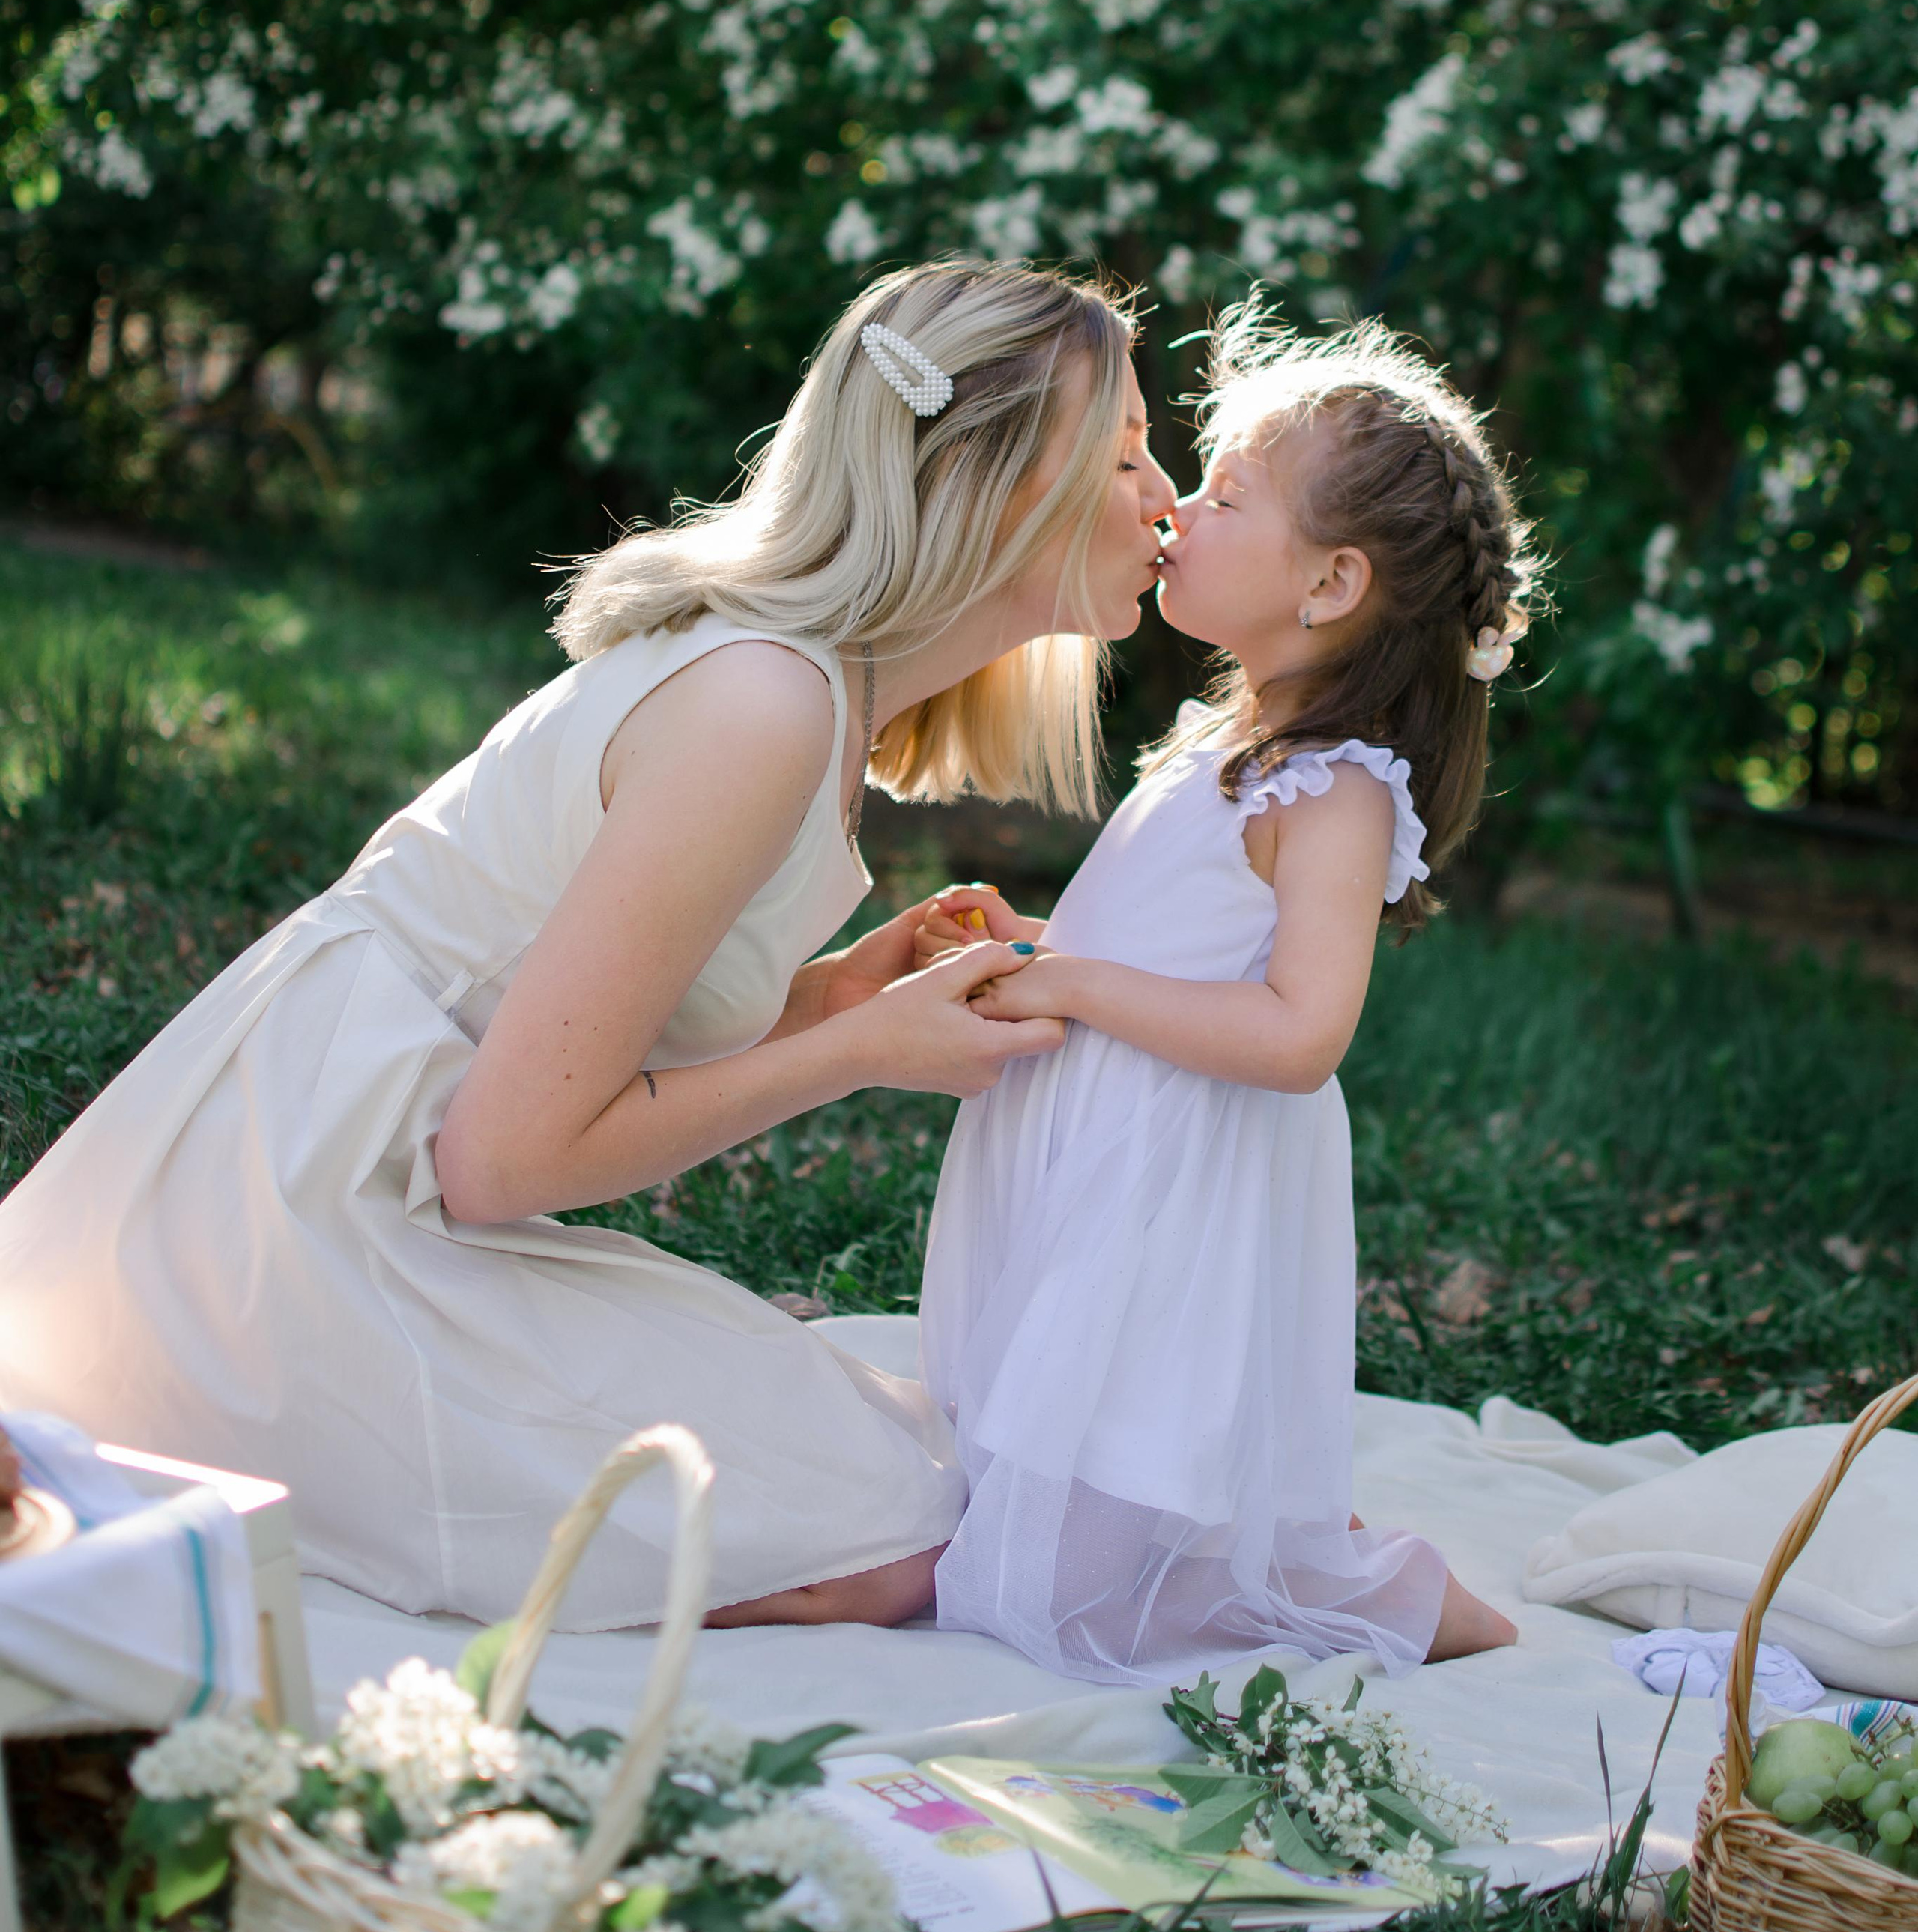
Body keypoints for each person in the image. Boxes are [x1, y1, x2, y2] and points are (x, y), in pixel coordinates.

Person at [0, 261, 1177, 1633]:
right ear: (997, 485)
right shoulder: (762, 703)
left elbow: (586, 1018)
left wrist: (831, 999)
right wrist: (863, 1052)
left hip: (382, 1170)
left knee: (911, 1478)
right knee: (892, 1536)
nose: (1167, 496)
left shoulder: (814, 690)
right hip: (303, 1217)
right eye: (1132, 454)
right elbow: (504, 1160)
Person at [914, 309, 1533, 1685]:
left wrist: (1071, 978)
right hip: (1100, 1143)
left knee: (1054, 1586)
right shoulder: (1233, 737)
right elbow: (1164, 937)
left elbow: (1301, 1034)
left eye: (1226, 496)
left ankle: (1384, 1593)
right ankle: (1235, 1543)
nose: (1179, 510)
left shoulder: (1339, 788)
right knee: (1017, 1451)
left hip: (1173, 1182)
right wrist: (1039, 950)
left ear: (1329, 587)